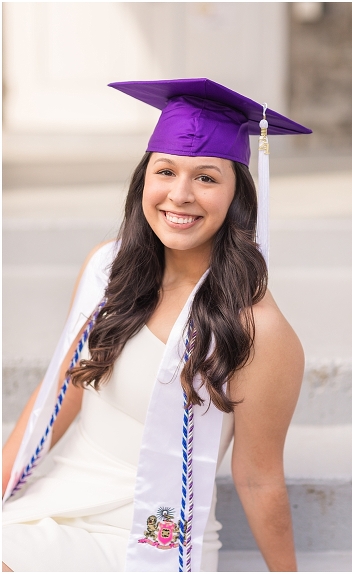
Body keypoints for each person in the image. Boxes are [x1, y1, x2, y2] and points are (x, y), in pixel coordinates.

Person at [2, 78, 311, 571]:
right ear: (144, 180)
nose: (180, 195)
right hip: (56, 497)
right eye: (165, 171)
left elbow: (258, 477)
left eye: (207, 178)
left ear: (237, 197)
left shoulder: (256, 329)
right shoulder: (107, 269)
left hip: (149, 535)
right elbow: (61, 391)